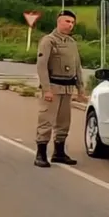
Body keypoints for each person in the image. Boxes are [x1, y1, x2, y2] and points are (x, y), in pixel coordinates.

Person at [34, 9, 86, 168]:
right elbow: (42, 66)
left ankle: (59, 152)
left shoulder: (71, 43)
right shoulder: (49, 41)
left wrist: (81, 89)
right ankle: (41, 154)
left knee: (64, 122)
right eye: (67, 21)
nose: (70, 25)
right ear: (58, 22)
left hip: (67, 88)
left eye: (72, 23)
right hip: (53, 87)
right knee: (46, 120)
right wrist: (46, 89)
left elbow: (77, 66)